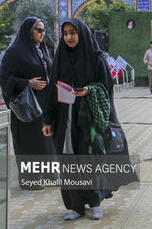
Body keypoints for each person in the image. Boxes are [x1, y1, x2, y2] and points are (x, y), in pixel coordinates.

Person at [42, 18, 137, 220]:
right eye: (65, 33)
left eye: (73, 32)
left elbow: (107, 87)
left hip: (90, 119)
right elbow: (52, 89)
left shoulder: (96, 57)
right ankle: (75, 205)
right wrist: (47, 120)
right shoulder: (60, 57)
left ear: (82, 34)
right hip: (65, 117)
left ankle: (94, 202)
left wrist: (89, 91)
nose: (69, 37)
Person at [0, 17, 55, 190]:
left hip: (44, 104)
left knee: (45, 142)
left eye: (43, 30)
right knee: (29, 143)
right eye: (38, 30)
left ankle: (48, 175)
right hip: (26, 107)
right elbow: (5, 77)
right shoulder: (15, 52)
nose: (42, 33)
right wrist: (27, 83)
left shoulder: (44, 49)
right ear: (28, 31)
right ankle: (30, 180)